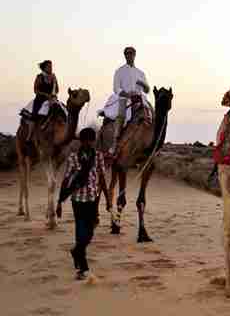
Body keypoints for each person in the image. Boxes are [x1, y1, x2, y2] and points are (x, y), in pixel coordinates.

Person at [56, 127, 110, 280]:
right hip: (78, 200)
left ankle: (76, 251)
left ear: (93, 142)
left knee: (91, 229)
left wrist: (107, 199)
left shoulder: (98, 156)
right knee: (80, 231)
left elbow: (102, 179)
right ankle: (82, 267)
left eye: (90, 141)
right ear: (81, 141)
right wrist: (59, 202)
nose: (87, 143)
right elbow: (66, 180)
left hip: (93, 198)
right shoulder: (73, 157)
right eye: (84, 140)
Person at [111, 46, 150, 153]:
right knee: (121, 117)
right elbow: (116, 88)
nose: (129, 55)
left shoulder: (140, 73)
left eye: (131, 53)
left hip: (139, 99)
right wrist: (127, 95)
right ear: (125, 55)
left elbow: (147, 90)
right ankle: (115, 143)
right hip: (125, 99)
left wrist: (142, 83)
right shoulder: (119, 71)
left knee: (149, 117)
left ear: (134, 55)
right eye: (127, 53)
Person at [26, 60, 59, 141]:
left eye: (51, 66)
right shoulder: (40, 77)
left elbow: (57, 90)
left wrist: (55, 84)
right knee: (34, 116)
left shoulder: (53, 77)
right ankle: (29, 135)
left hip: (51, 98)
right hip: (40, 98)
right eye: (49, 67)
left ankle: (47, 124)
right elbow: (35, 90)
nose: (51, 68)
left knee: (61, 109)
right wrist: (45, 95)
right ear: (44, 68)